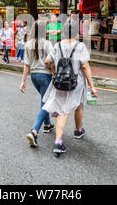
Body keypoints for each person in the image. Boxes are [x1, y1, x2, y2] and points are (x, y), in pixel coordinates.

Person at [42, 20, 98, 155]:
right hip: (75, 82)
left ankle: (60, 140)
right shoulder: (80, 46)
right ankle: (75, 132)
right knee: (77, 105)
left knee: (63, 109)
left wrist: (53, 70)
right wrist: (92, 86)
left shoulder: (58, 45)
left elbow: (47, 61)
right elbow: (85, 66)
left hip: (60, 82)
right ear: (76, 32)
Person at [20, 21, 55, 147]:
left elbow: (26, 64)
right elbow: (52, 59)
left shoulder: (28, 44)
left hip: (33, 76)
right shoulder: (47, 44)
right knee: (45, 104)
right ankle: (34, 131)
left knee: (44, 99)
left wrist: (23, 81)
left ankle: (47, 125)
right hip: (45, 75)